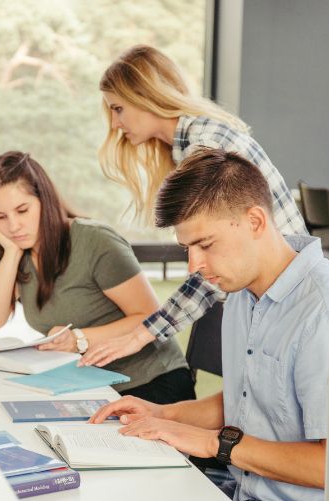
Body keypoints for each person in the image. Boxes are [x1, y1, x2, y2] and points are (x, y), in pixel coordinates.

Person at [90, 148, 329, 501]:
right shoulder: (242, 295)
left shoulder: (327, 315)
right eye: (188, 249)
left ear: (254, 221)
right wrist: (162, 414)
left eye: (206, 244)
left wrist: (214, 443)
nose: (194, 266)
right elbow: (252, 399)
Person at [82, 44, 308, 368]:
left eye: (118, 109)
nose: (115, 124)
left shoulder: (204, 144)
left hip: (286, 301)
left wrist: (142, 334)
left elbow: (214, 261)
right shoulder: (189, 143)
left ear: (145, 95)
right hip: (267, 299)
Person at [0, 151, 194, 404]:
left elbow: (151, 317)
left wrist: (79, 339)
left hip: (149, 383)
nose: (13, 226)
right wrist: (11, 253)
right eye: (0, 217)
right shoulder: (19, 252)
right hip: (86, 383)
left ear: (45, 201)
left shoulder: (95, 241)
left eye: (22, 210)